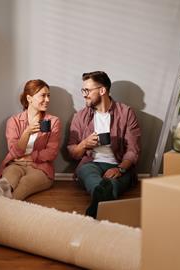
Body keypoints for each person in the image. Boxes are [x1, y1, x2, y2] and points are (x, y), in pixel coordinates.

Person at [67, 71, 141, 218]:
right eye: (83, 90)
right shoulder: (80, 116)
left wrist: (120, 169)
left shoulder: (126, 113)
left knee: (113, 182)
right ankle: (102, 195)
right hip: (91, 163)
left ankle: (96, 205)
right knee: (88, 175)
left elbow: (133, 150)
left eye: (87, 90)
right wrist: (84, 144)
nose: (84, 94)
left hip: (119, 164)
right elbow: (72, 152)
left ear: (102, 90)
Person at [0, 79, 61, 200]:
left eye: (48, 96)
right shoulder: (13, 121)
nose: (47, 100)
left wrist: (31, 157)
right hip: (16, 163)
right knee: (6, 182)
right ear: (29, 98)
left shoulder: (53, 121)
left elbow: (52, 152)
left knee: (24, 184)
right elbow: (14, 151)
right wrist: (27, 132)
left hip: (41, 167)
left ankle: (5, 209)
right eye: (43, 96)